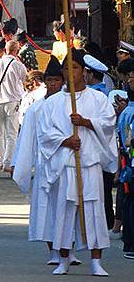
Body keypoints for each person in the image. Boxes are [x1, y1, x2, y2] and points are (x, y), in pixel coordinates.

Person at [38, 48, 117, 276]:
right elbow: (45, 133)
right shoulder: (53, 103)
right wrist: (65, 141)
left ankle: (96, 260)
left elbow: (108, 123)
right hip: (66, 165)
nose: (69, 72)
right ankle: (63, 257)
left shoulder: (98, 98)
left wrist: (86, 122)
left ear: (84, 71)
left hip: (89, 163)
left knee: (93, 210)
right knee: (64, 210)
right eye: (66, 68)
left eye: (74, 67)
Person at [13, 56, 81, 266]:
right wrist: (21, 163)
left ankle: (69, 250)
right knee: (48, 209)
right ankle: (53, 251)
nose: (53, 84)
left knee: (69, 208)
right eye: (49, 80)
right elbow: (27, 139)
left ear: (62, 81)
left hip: (67, 163)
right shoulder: (36, 108)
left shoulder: (71, 104)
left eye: (56, 80)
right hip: (45, 165)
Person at [0, 40, 27, 172]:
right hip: (13, 101)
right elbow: (25, 81)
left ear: (5, 49)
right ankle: (8, 162)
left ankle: (0, 159)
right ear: (16, 50)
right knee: (11, 133)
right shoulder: (19, 66)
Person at [117, 61, 134, 259]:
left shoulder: (126, 112)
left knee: (129, 201)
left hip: (128, 162)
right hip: (131, 161)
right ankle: (130, 243)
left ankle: (128, 243)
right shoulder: (130, 113)